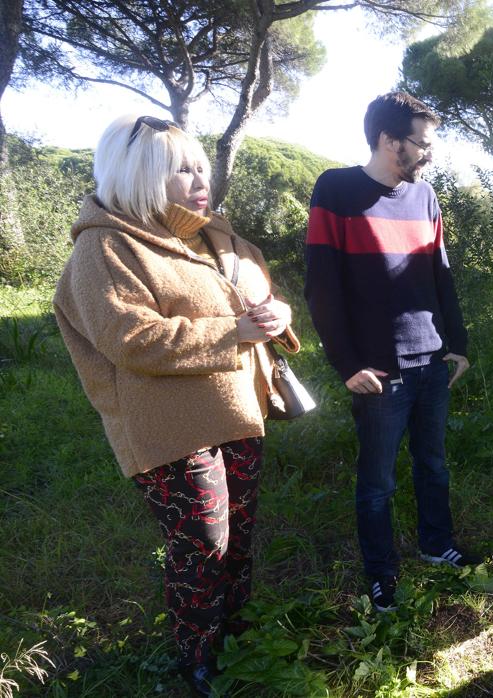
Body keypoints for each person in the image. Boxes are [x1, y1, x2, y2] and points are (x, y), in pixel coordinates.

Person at [53, 114, 298, 697]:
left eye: (200, 167)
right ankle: (195, 656)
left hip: (238, 408)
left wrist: (277, 316)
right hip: (164, 426)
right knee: (203, 539)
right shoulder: (103, 247)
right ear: (141, 176)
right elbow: (130, 337)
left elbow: (260, 291)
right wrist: (234, 330)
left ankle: (233, 629)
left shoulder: (216, 235)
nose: (199, 179)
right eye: (181, 169)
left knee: (238, 531)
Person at [304, 91, 479, 614]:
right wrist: (346, 364)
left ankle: (435, 544)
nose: (428, 155)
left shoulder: (425, 197)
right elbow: (322, 287)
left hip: (431, 361)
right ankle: (381, 575)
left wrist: (459, 345)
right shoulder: (335, 190)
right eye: (420, 145)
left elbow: (441, 276)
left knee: (434, 466)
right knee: (377, 482)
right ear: (386, 139)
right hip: (380, 369)